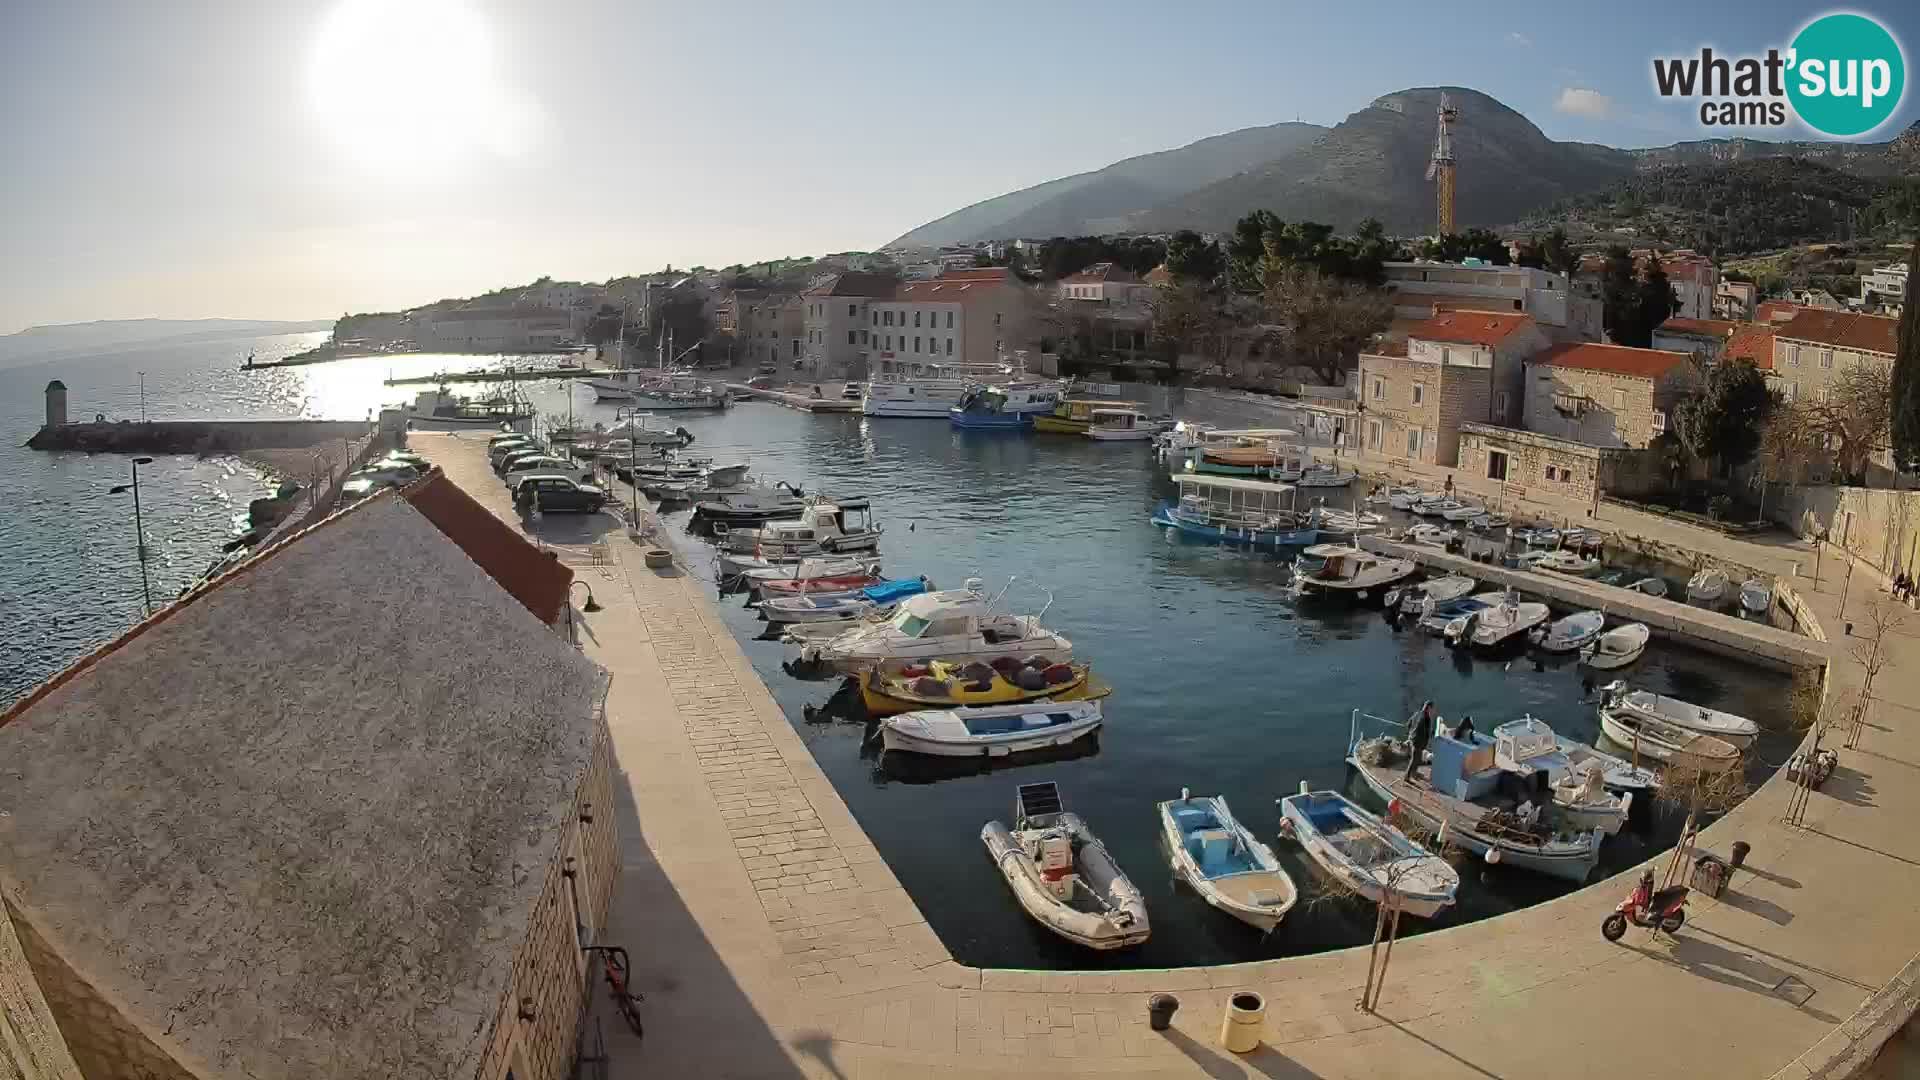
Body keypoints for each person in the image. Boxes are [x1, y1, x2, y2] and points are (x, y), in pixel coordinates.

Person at [1404, 701, 1436, 782]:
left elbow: (1408, 723)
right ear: (1429, 708)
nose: (1433, 710)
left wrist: (1410, 733)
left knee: (1417, 759)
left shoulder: (1417, 714)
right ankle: (1407, 777)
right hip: (1418, 742)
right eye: (1432, 708)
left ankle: (1413, 773)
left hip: (1413, 739)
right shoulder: (1425, 718)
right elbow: (1423, 731)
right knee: (1414, 759)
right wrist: (1424, 740)